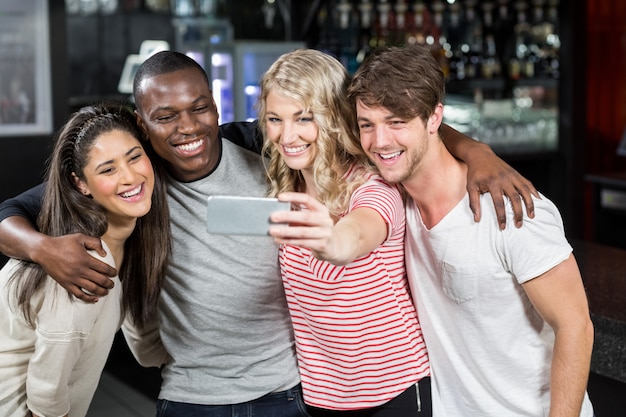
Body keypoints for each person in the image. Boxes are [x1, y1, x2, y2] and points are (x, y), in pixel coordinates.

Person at [0, 50, 536, 416]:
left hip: (292, 392)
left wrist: (478, 151)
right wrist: (41, 247)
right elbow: (14, 208)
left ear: (216, 108)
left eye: (199, 108)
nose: (187, 128)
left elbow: (390, 127)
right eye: (165, 117)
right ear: (142, 125)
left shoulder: (264, 148)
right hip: (192, 394)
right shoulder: (138, 177)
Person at [346, 44, 595, 417]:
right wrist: (477, 148)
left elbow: (576, 326)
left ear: (434, 120)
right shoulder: (396, 200)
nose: (379, 142)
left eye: (396, 122)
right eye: (368, 124)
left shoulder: (511, 208)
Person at [259, 48, 429, 416]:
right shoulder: (283, 191)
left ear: (332, 117)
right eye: (275, 118)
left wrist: (331, 241)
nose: (287, 135)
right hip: (323, 398)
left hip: (396, 391)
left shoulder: (372, 189)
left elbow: (357, 233)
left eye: (304, 118)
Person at [0, 103, 170, 417]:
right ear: (80, 183)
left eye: (134, 157)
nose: (130, 176)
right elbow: (45, 402)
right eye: (108, 169)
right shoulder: (82, 266)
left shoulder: (126, 241)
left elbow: (146, 345)